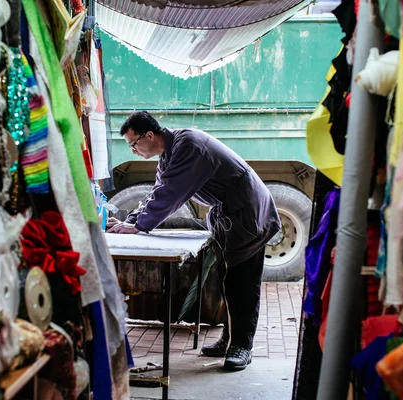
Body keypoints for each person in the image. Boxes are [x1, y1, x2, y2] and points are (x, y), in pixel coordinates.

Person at [107, 111, 281, 371]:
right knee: (227, 279)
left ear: (149, 135)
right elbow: (158, 191)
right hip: (229, 215)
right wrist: (131, 221)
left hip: (248, 212)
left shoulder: (189, 146)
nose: (132, 150)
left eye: (133, 144)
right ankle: (230, 338)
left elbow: (171, 193)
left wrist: (139, 226)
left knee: (241, 282)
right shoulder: (170, 153)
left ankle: (242, 346)